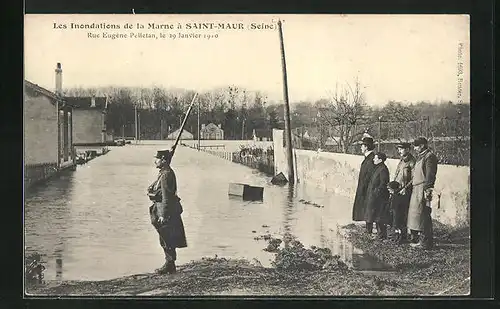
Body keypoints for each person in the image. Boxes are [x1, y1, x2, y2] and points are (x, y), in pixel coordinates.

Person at [147, 149, 187, 274]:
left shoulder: (166, 174)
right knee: (165, 237)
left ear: (164, 160)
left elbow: (166, 196)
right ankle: (169, 263)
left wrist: (163, 215)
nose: (155, 161)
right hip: (162, 208)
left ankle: (170, 264)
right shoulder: (164, 172)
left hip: (165, 210)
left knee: (167, 237)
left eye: (157, 159)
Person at [407, 137, 438, 249]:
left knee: (424, 215)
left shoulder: (429, 157)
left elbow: (430, 175)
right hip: (417, 188)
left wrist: (428, 189)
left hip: (423, 189)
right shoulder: (421, 157)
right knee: (417, 216)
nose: (414, 149)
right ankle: (421, 240)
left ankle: (426, 243)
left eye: (416, 146)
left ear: (422, 146)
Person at [392, 142, 416, 244]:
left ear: (407, 149)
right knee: (397, 214)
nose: (399, 151)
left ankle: (403, 236)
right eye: (399, 149)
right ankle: (397, 234)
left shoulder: (412, 162)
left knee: (403, 214)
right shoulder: (401, 161)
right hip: (398, 191)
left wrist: (405, 188)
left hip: (405, 192)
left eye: (401, 149)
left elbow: (414, 178)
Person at [352, 136, 377, 234]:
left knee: (368, 207)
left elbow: (369, 175)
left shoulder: (371, 158)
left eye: (362, 146)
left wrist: (364, 187)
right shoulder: (368, 157)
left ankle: (369, 229)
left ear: (366, 147)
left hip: (367, 187)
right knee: (366, 207)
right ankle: (368, 228)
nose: (361, 148)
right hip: (365, 187)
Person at [364, 152, 391, 239]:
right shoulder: (378, 168)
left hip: (379, 197)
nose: (373, 159)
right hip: (374, 196)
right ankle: (378, 234)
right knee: (375, 215)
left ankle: (382, 235)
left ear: (380, 160)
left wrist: (376, 192)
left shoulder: (383, 169)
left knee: (380, 216)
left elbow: (383, 183)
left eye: (375, 158)